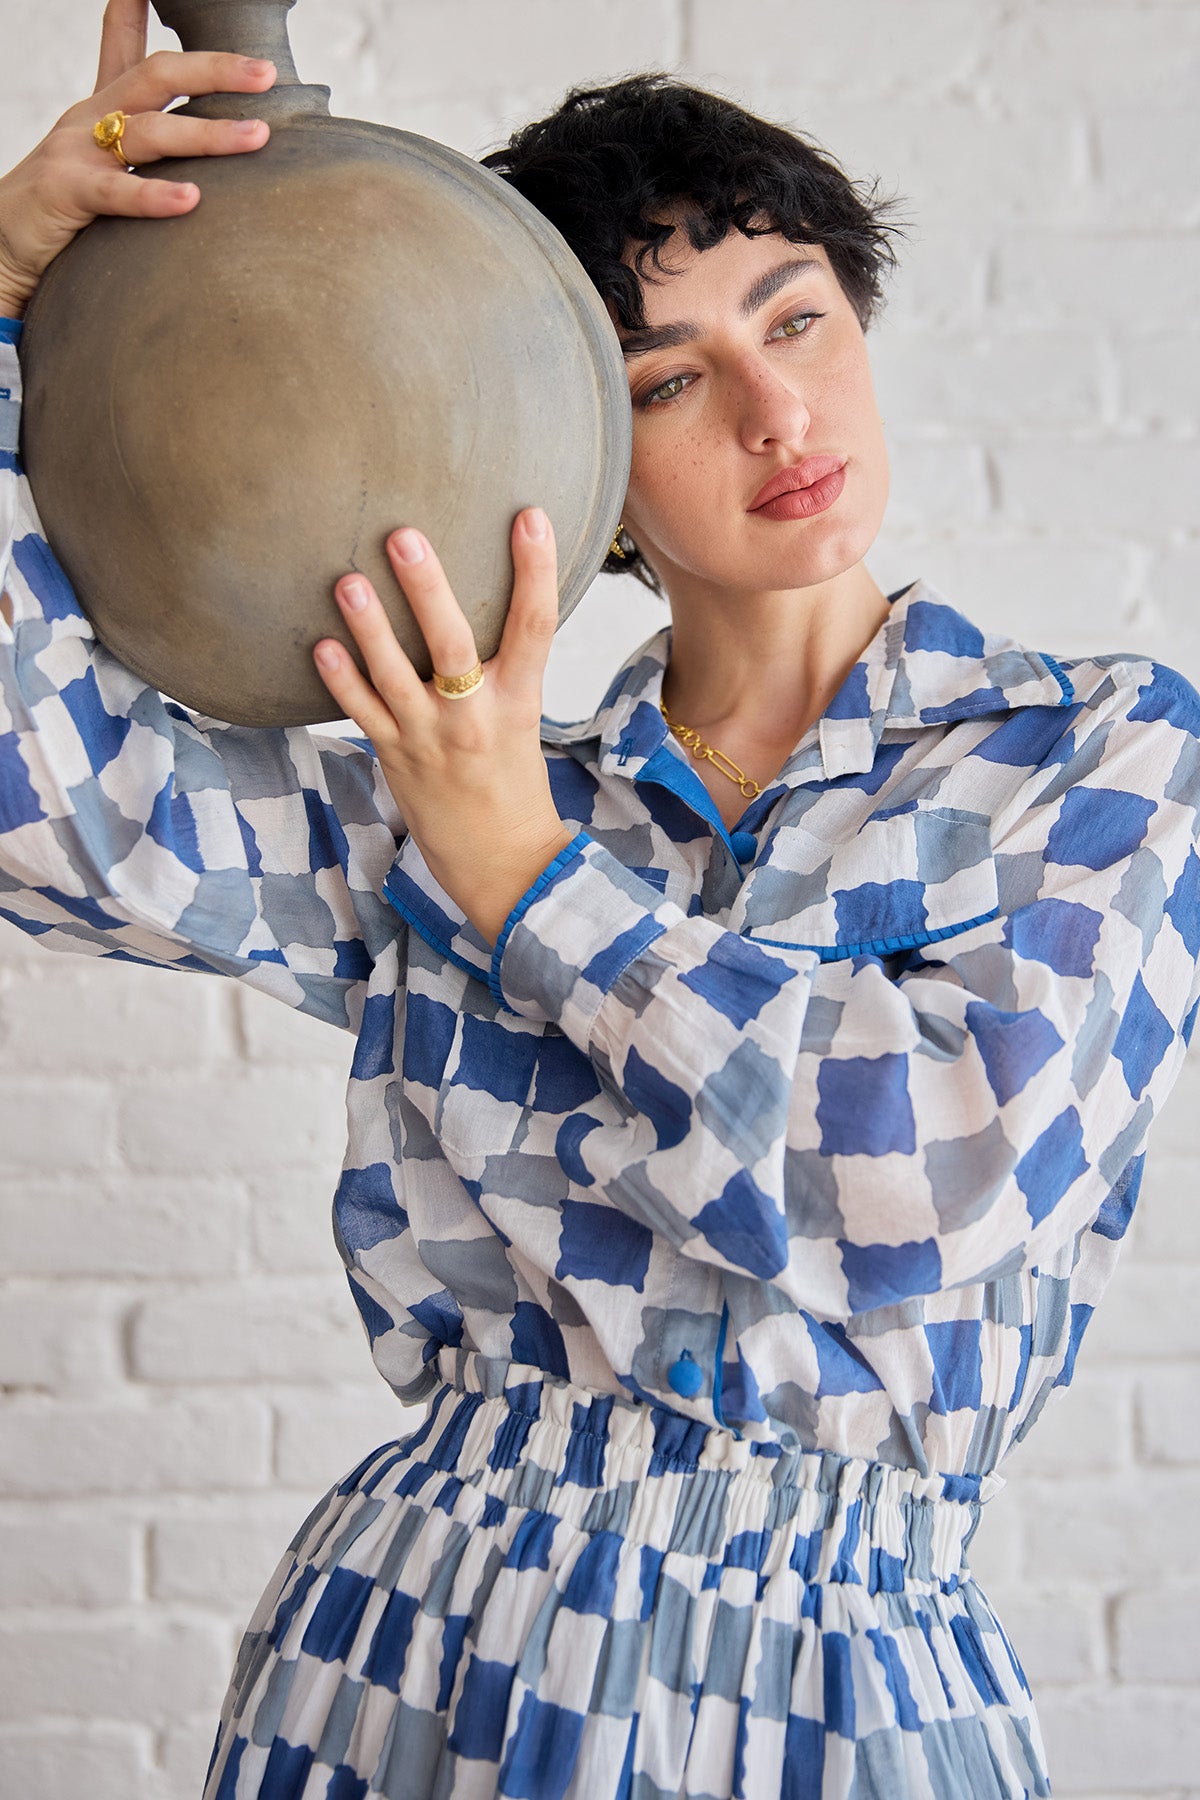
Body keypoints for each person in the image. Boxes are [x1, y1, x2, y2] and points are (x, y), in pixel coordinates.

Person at [2, 5, 1198, 1798]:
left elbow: (929, 1180)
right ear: (573, 451)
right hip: (419, 1650)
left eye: (795, 318)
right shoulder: (453, 778)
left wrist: (530, 885)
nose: (778, 412)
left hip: (842, 1677)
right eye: (668, 382)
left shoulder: (1095, 750)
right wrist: (10, 295)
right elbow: (51, 806)